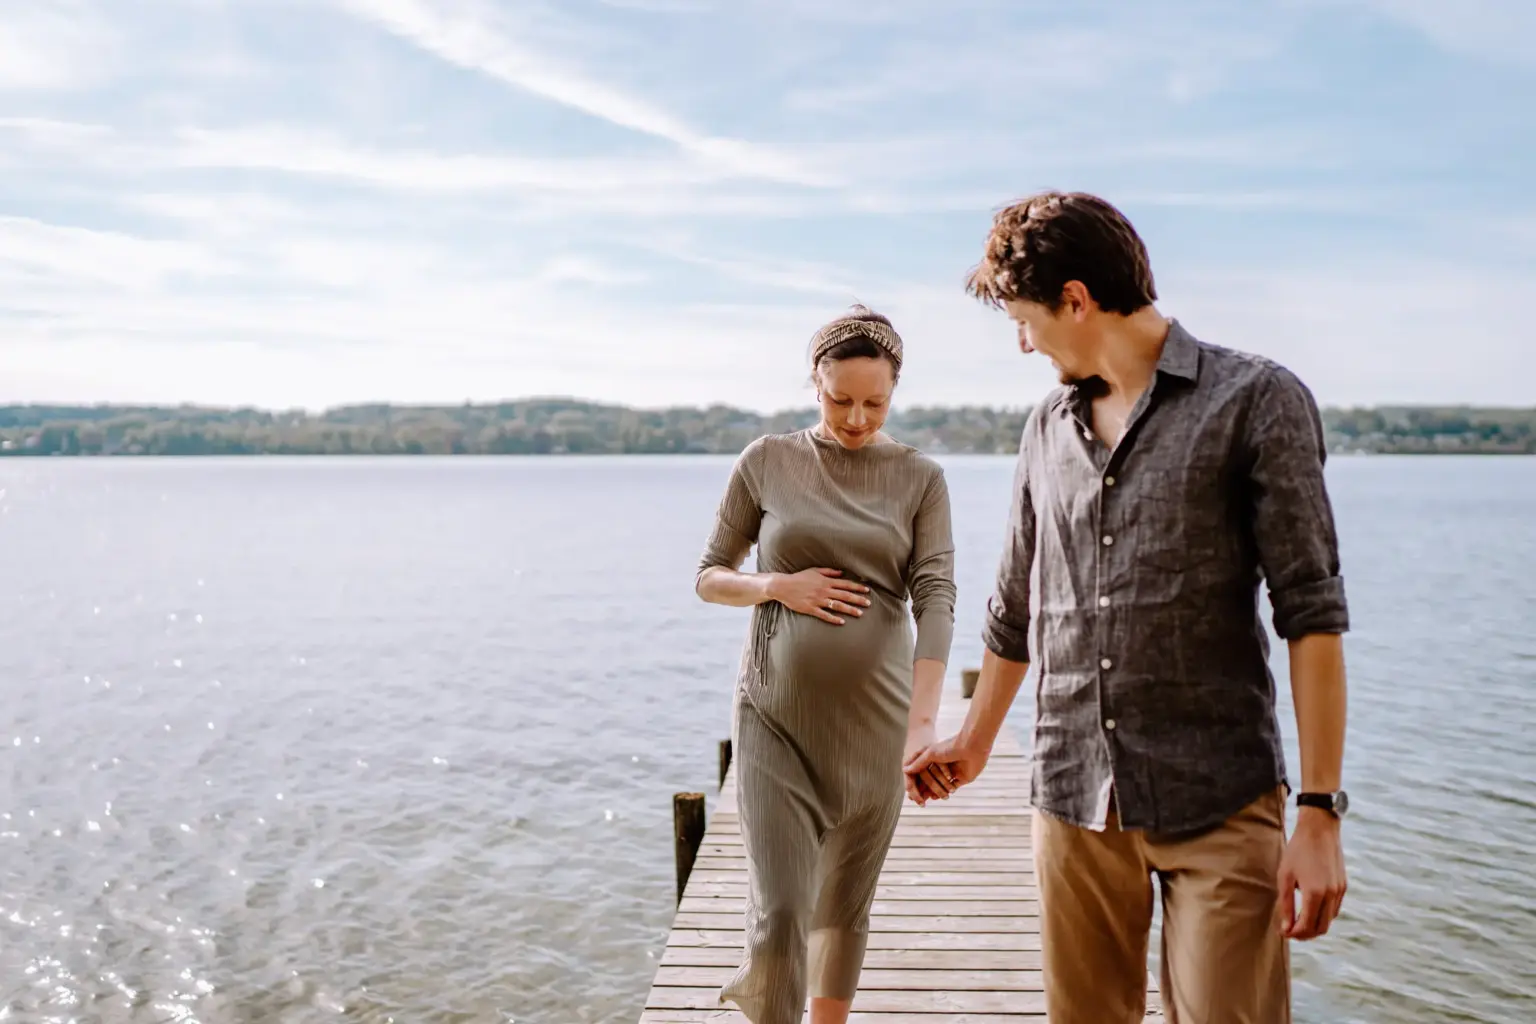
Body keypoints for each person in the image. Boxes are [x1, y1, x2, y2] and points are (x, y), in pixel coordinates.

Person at [904, 191, 1351, 1023]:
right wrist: (972, 741)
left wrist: (1320, 814)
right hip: (1071, 796)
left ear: (1075, 299)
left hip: (1217, 795)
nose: (1023, 341)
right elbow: (1014, 607)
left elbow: (1312, 615)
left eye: (1024, 318)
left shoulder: (1257, 399)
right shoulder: (1046, 427)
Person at [694, 305, 959, 1024]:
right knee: (780, 911)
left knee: (843, 905)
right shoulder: (767, 461)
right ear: (815, 383)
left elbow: (936, 597)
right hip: (774, 717)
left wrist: (922, 725)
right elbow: (710, 575)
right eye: (840, 399)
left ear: (895, 391)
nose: (856, 417)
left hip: (876, 726)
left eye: (875, 402)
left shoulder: (919, 479)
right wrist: (778, 585)